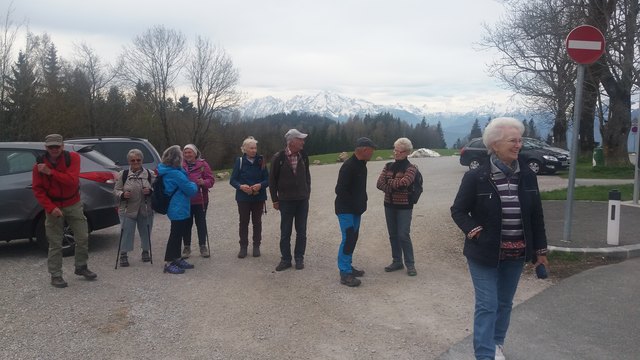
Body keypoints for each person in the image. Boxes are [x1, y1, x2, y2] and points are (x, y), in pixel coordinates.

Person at [450, 117, 549, 360]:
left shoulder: (527, 175)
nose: (518, 145)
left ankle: (496, 344)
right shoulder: (477, 177)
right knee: (488, 305)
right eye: (512, 141)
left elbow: (536, 215)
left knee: (504, 303)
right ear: (494, 145)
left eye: (520, 140)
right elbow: (458, 211)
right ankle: (484, 355)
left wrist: (541, 252)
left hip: (515, 253)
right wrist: (476, 232)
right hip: (484, 253)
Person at [32, 134, 97, 288]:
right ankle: (56, 275)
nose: (54, 149)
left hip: (73, 203)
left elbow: (72, 181)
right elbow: (38, 190)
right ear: (45, 147)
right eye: (51, 147)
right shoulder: (38, 167)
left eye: (57, 146)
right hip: (53, 205)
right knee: (55, 242)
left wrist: (50, 172)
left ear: (62, 146)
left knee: (82, 237)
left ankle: (81, 267)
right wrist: (51, 207)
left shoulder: (73, 158)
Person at [335, 137, 376, 287]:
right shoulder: (349, 166)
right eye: (371, 151)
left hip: (356, 210)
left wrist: (362, 202)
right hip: (345, 210)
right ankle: (344, 273)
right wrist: (354, 204)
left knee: (354, 238)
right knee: (349, 238)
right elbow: (339, 190)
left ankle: (348, 265)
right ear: (364, 150)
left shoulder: (362, 165)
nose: (372, 154)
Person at [376, 137, 419, 276]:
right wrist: (394, 185)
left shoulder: (411, 168)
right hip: (389, 205)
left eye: (400, 151)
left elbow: (405, 183)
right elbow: (379, 183)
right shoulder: (388, 166)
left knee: (403, 234)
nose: (396, 153)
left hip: (404, 206)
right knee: (393, 235)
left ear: (407, 152)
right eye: (395, 150)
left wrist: (389, 184)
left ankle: (410, 264)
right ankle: (397, 261)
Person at [269, 128, 311, 271]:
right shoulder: (278, 158)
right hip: (286, 201)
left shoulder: (303, 155)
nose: (303, 142)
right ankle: (286, 259)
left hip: (302, 200)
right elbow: (272, 180)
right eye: (300, 139)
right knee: (285, 231)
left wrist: (307, 192)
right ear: (292, 142)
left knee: (302, 231)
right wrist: (275, 200)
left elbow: (307, 176)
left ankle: (299, 258)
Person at [157, 145, 198, 274]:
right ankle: (169, 262)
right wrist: (194, 184)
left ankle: (177, 258)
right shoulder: (175, 173)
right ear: (177, 158)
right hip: (177, 207)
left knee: (178, 233)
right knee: (175, 235)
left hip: (177, 206)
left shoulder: (168, 170)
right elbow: (190, 190)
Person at [114, 149, 155, 267]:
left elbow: (157, 189)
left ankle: (145, 251)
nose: (136, 162)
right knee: (126, 232)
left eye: (138, 160)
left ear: (142, 160)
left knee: (146, 231)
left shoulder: (149, 174)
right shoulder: (123, 174)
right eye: (133, 160)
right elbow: (116, 190)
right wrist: (122, 194)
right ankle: (123, 254)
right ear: (129, 161)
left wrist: (150, 191)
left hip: (145, 208)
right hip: (127, 208)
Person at [230, 136, 269, 258]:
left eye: (255, 148)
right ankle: (243, 247)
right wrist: (241, 186)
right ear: (244, 149)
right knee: (244, 222)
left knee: (257, 222)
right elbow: (232, 180)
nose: (254, 150)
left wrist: (260, 185)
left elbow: (268, 179)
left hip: (258, 197)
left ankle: (256, 246)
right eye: (251, 148)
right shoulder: (240, 161)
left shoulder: (261, 160)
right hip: (243, 198)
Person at [181, 144, 214, 258]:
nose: (187, 155)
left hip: (201, 200)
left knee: (201, 223)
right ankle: (186, 247)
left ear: (195, 153)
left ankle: (203, 246)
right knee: (186, 224)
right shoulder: (180, 165)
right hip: (185, 200)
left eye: (190, 152)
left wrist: (203, 183)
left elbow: (211, 180)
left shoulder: (203, 165)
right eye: (185, 153)